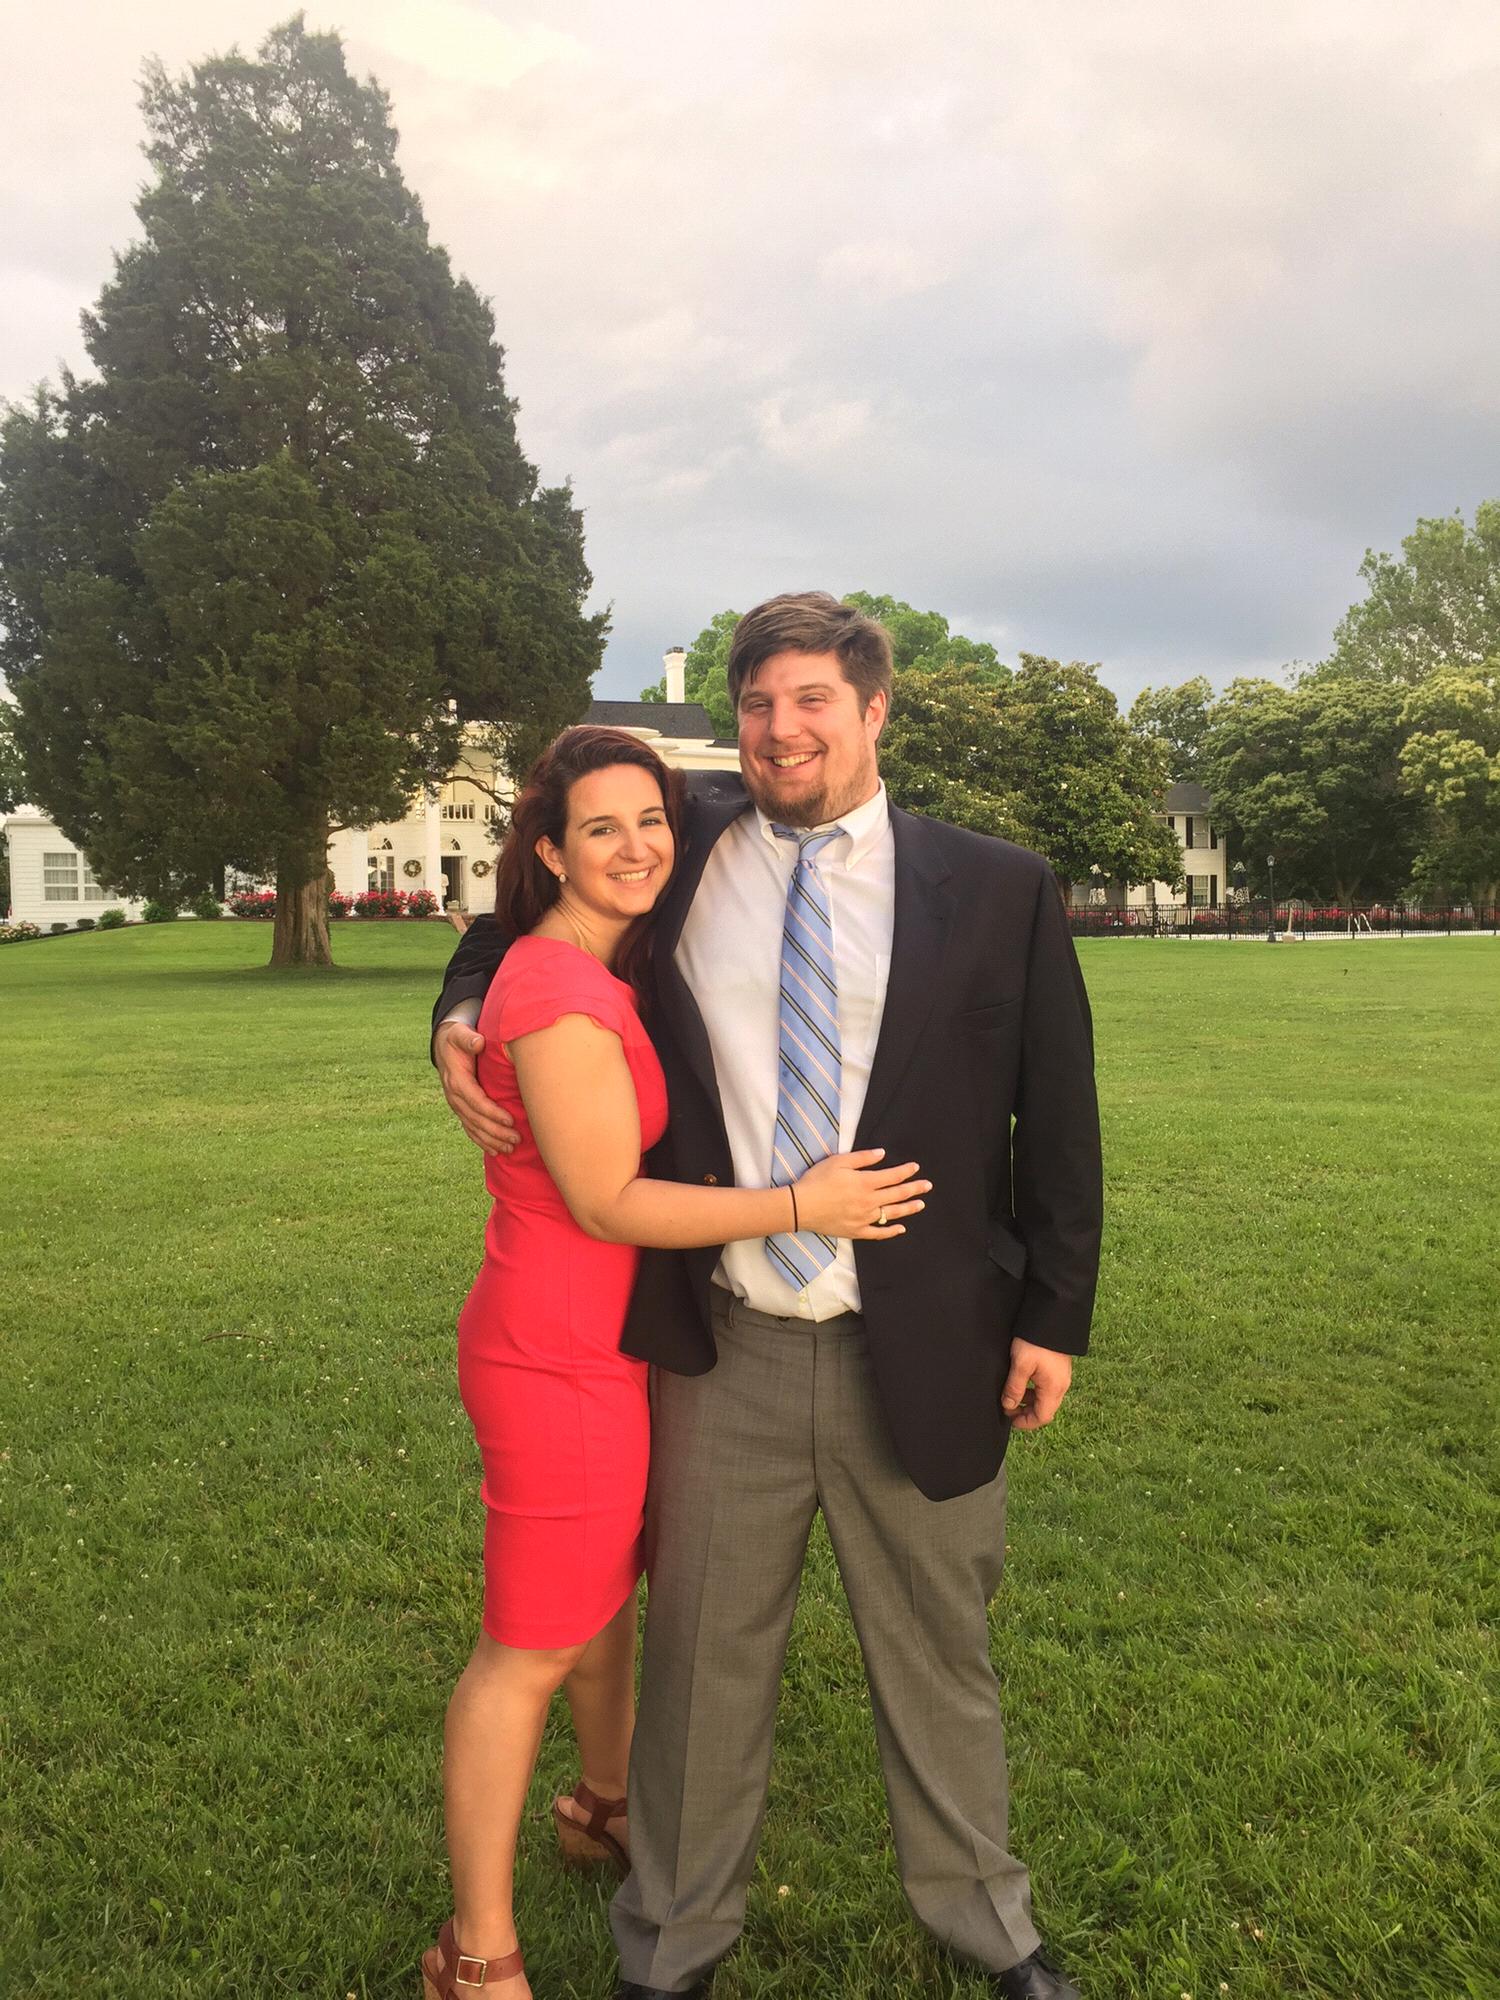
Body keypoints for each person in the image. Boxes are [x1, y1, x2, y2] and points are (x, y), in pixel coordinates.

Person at [432, 598, 1103, 2000]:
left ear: (875, 710)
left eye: (813, 701)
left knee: (939, 1651)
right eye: (758, 705)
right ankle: (672, 1940)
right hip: (723, 1340)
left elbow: (1059, 1115)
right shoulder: (684, 848)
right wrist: (456, 1007)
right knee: (699, 1664)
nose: (782, 730)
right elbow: (537, 906)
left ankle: (989, 1921)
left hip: (927, 1340)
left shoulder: (998, 886)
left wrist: (1054, 1315)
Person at [421, 724, 928, 2000]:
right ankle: (477, 1951)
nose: (640, 844)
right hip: (556, 1350)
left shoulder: (607, 951)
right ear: (550, 851)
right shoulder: (558, 988)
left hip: (613, 1338)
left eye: (650, 819)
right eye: (600, 828)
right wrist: (802, 1205)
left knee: (599, 1601)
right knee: (526, 1647)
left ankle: (603, 1804)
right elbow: (607, 1200)